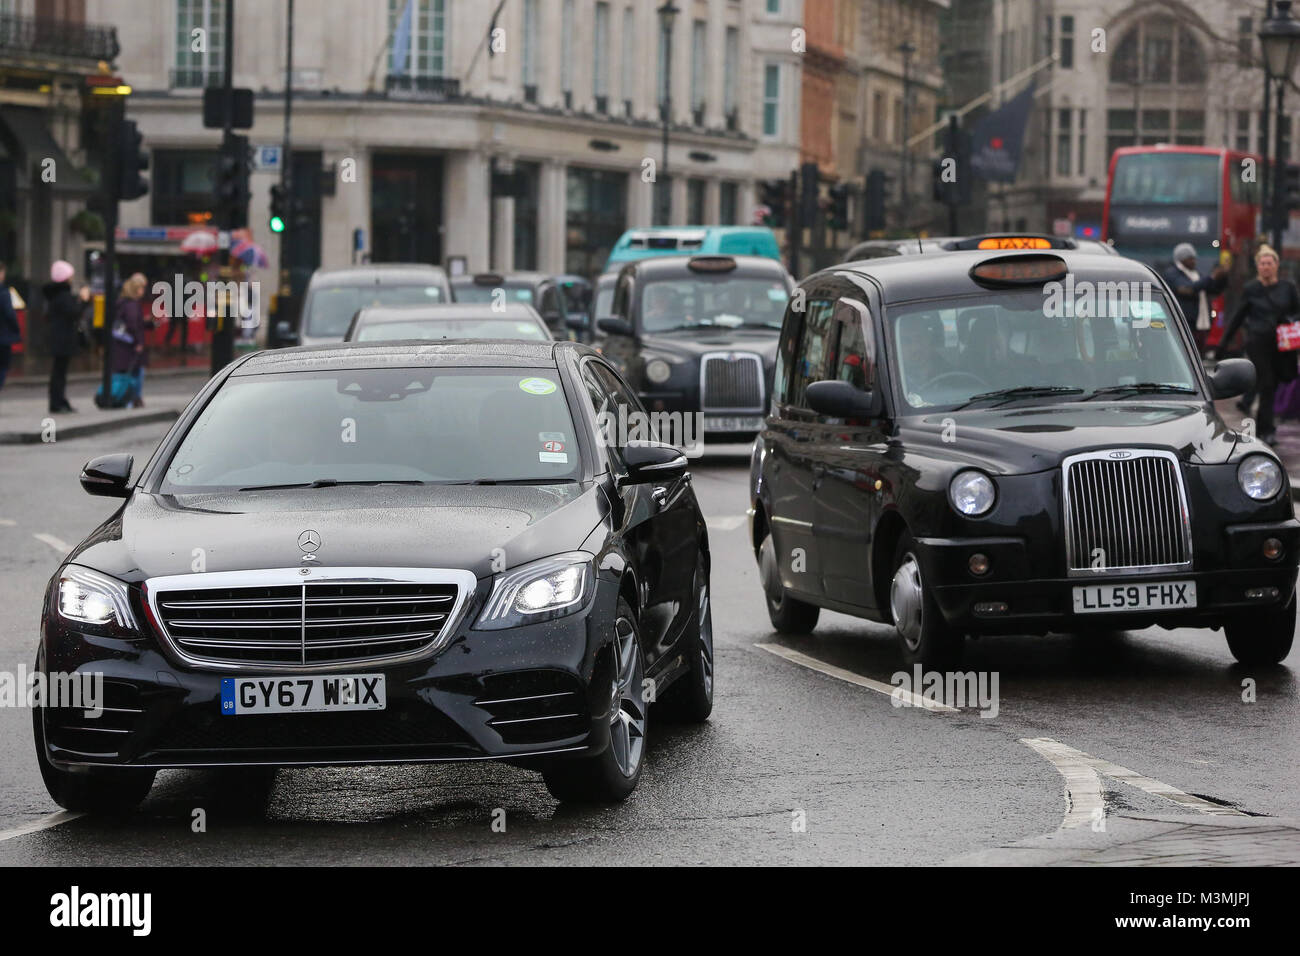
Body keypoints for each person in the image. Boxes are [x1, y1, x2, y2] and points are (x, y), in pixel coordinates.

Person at [1212, 244, 1300, 446]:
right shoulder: (1251, 289)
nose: (1266, 267)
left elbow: (1298, 311)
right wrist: (1223, 343)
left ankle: (1264, 424)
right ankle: (1266, 430)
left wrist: (1289, 318)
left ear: (1276, 265)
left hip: (1281, 343)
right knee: (1267, 384)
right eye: (1262, 263)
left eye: (1269, 263)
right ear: (1258, 266)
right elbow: (1237, 316)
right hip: (1257, 342)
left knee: (1274, 384)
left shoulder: (1288, 288)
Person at [1162, 242, 1228, 353]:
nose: (1194, 261)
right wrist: (1211, 277)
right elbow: (1188, 289)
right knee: (1187, 353)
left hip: (1201, 323)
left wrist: (1221, 279)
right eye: (1190, 258)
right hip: (1185, 322)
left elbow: (1213, 290)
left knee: (1199, 353)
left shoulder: (1197, 274)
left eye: (1194, 258)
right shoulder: (1172, 274)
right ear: (1181, 260)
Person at [43, 260, 90, 414]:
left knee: (59, 371)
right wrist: (83, 300)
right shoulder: (63, 295)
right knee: (59, 372)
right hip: (62, 338)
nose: (72, 278)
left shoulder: (56, 294)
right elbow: (74, 313)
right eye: (70, 275)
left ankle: (59, 400)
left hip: (58, 337)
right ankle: (57, 402)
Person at [111, 274, 148, 408]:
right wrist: (139, 342)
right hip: (131, 345)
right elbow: (133, 324)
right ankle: (133, 399)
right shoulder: (132, 305)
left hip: (122, 344)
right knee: (136, 372)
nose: (143, 291)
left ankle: (125, 397)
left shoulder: (122, 303)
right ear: (136, 289)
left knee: (125, 372)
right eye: (142, 288)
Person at [0, 261, 19, 391]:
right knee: (2, 366)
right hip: (2, 336)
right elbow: (10, 314)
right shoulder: (3, 293)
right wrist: (15, 329)